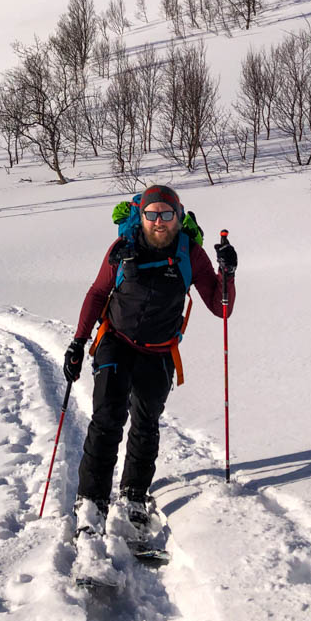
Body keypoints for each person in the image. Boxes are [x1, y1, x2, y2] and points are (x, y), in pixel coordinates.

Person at [63, 184, 237, 539]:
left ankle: (133, 495)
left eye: (167, 214)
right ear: (140, 216)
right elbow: (97, 292)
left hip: (160, 351)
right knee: (108, 418)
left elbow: (222, 308)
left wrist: (228, 273)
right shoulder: (121, 249)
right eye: (152, 214)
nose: (159, 222)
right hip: (116, 342)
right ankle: (91, 501)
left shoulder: (192, 254)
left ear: (178, 216)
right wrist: (78, 343)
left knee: (145, 424)